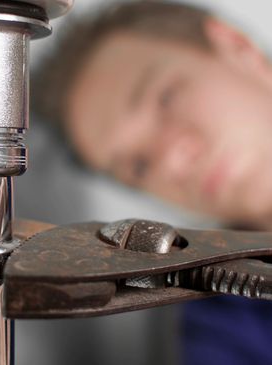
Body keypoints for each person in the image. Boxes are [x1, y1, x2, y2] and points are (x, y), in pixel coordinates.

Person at [32, 1, 272, 364]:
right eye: (139, 165)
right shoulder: (221, 318)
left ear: (237, 47)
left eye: (166, 98)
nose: (173, 161)